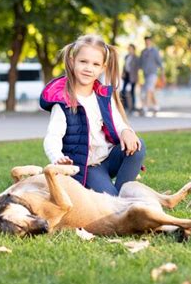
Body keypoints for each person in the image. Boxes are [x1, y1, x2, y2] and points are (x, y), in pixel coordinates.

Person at [39, 34, 146, 196]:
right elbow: (52, 137)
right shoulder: (63, 102)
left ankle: (124, 196)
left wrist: (126, 131)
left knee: (138, 145)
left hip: (108, 159)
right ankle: (118, 200)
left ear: (102, 68)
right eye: (83, 62)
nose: (89, 68)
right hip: (87, 167)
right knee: (109, 199)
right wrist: (58, 158)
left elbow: (118, 123)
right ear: (72, 61)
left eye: (95, 64)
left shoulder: (102, 96)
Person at [139, 36, 165, 115]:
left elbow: (160, 63)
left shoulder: (155, 51)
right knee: (151, 91)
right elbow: (140, 63)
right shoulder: (143, 52)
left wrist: (162, 73)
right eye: (146, 41)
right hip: (145, 75)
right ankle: (156, 106)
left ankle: (145, 108)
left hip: (153, 73)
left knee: (148, 90)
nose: (147, 42)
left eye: (148, 41)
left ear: (150, 41)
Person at [121, 44, 139, 113]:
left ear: (134, 49)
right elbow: (124, 65)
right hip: (126, 75)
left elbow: (137, 69)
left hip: (133, 76)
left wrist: (137, 78)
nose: (130, 50)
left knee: (132, 92)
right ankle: (125, 106)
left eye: (131, 49)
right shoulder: (126, 56)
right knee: (123, 90)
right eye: (129, 49)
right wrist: (123, 73)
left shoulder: (136, 58)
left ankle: (133, 108)